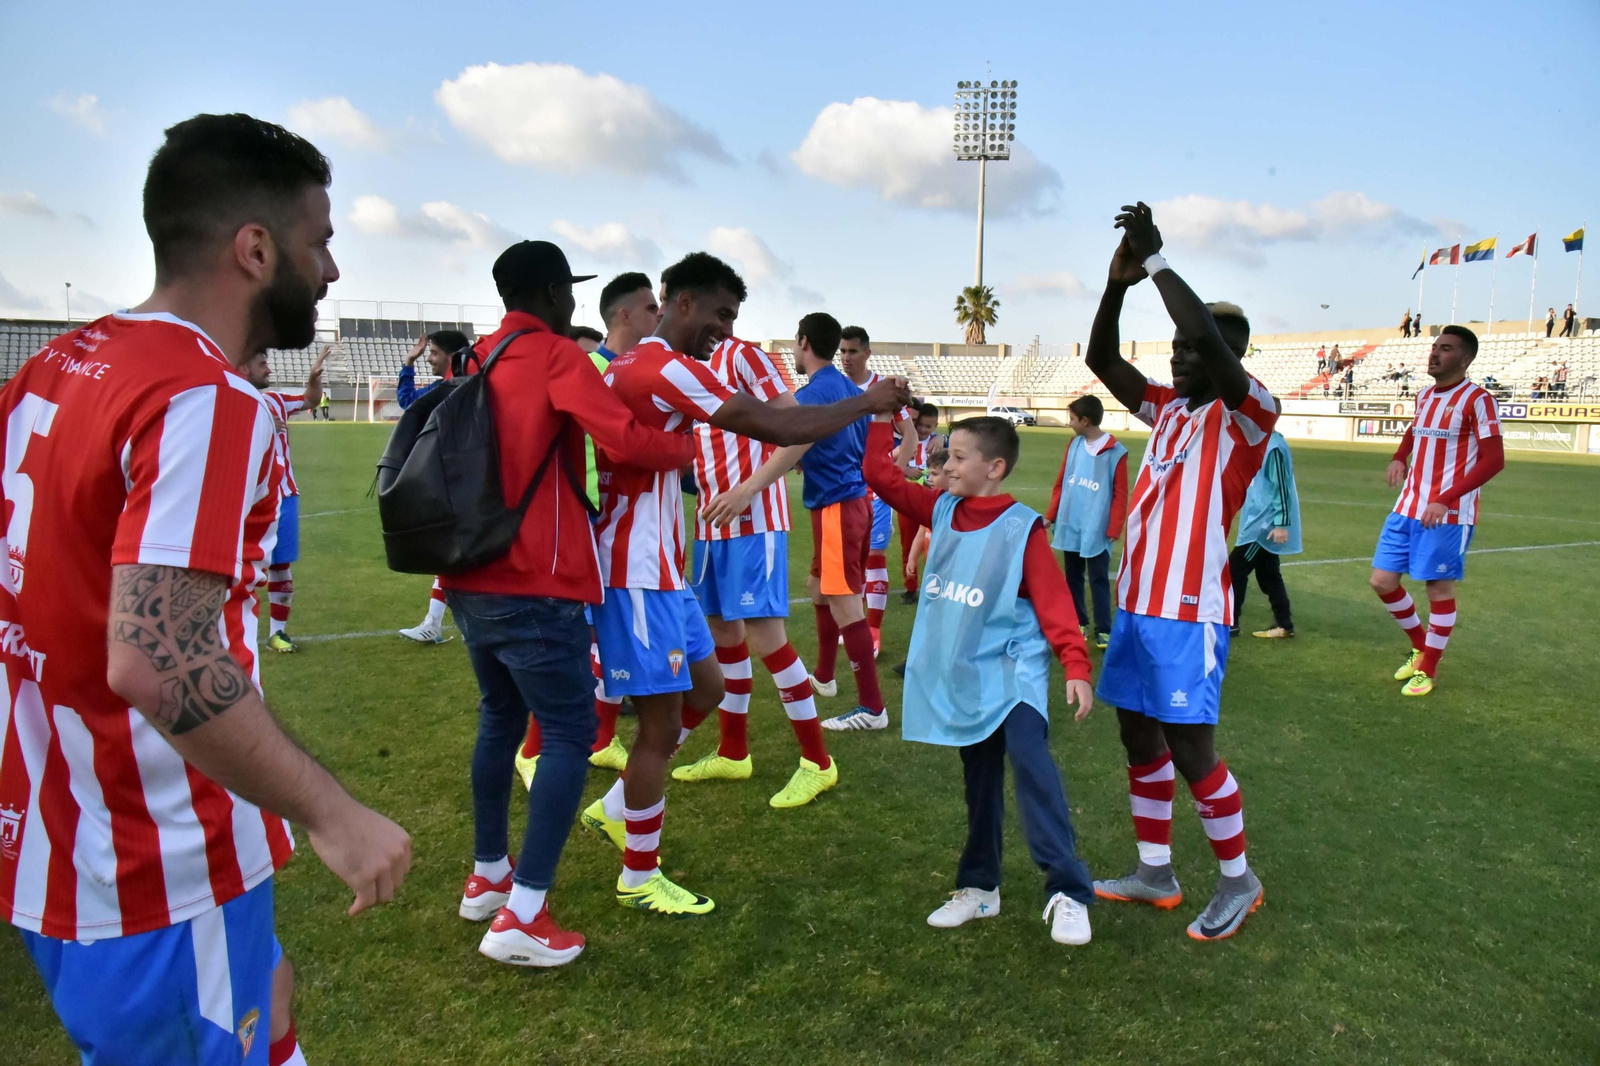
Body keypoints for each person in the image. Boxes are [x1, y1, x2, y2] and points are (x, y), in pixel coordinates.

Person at [0, 112, 412, 1066]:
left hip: (55, 829)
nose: (332, 269)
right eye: (320, 242)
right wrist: (333, 814)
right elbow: (159, 658)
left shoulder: (53, 368)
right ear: (255, 250)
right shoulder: (206, 398)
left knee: (264, 991)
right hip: (152, 855)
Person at [578, 254, 908, 916]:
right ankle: (638, 874)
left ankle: (624, 805)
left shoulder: (637, 365)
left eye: (733, 317)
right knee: (662, 721)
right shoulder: (666, 367)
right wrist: (867, 401)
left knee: (709, 683)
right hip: (637, 571)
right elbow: (783, 425)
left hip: (672, 559)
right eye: (720, 313)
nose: (725, 328)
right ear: (681, 302)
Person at [439, 240, 705, 967]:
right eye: (569, 291)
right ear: (553, 293)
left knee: (499, 717)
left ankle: (487, 876)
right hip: (536, 572)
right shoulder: (557, 355)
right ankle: (524, 914)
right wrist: (694, 451)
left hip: (467, 571)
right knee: (565, 732)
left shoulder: (478, 355)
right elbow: (622, 440)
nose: (573, 303)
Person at [1081, 202, 1278, 942]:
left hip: (1189, 610)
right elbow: (1102, 361)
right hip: (1137, 602)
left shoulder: (1250, 413)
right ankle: (1156, 872)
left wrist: (1160, 260)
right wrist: (1118, 284)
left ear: (1228, 358)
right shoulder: (1166, 408)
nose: (1178, 357)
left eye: (1193, 350)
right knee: (1138, 738)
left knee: (1193, 750)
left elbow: (1206, 338)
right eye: (1175, 348)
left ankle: (1239, 881)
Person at [864, 414, 1097, 944]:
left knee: (1031, 763)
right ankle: (980, 888)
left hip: (1013, 672)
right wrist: (879, 415)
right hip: (968, 675)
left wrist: (1075, 664)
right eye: (947, 456)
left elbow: (1054, 600)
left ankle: (1069, 891)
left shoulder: (1021, 527)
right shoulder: (942, 509)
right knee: (980, 777)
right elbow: (879, 476)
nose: (946, 466)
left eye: (958, 457)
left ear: (994, 468)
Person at [671, 333, 838, 809]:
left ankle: (818, 764)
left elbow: (802, 429)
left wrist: (747, 489)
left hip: (754, 522)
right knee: (724, 636)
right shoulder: (681, 367)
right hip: (710, 523)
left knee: (768, 639)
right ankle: (732, 751)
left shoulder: (742, 356)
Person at [514, 272, 662, 787]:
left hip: (616, 527)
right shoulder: (591, 369)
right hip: (587, 523)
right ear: (624, 314)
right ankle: (532, 750)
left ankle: (601, 741)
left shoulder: (629, 370)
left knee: (604, 641)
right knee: (574, 644)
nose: (658, 316)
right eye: (650, 308)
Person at [1370, 326, 1505, 698]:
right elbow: (1416, 430)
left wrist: (1446, 498)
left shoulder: (1478, 400)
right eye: (1434, 347)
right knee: (1382, 582)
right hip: (1408, 506)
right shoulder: (1425, 395)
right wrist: (1400, 456)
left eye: (1445, 349)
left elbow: (1494, 460)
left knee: (1438, 588)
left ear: (1465, 359)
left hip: (1448, 514)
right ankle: (1420, 646)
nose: (1434, 354)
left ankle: (1428, 670)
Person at [789, 315, 900, 732]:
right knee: (819, 588)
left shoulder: (811, 394)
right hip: (848, 502)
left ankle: (872, 708)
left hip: (838, 505)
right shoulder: (852, 391)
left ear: (803, 342)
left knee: (844, 602)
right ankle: (824, 676)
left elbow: (790, 444)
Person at [237, 343, 329, 654]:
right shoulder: (228, 401)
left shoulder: (274, 401)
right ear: (244, 368)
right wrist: (258, 423)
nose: (269, 369)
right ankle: (234, 631)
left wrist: (314, 377)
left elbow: (310, 400)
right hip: (245, 501)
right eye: (263, 364)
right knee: (240, 568)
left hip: (284, 496)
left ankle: (278, 633)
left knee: (281, 567)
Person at [396, 327, 476, 646]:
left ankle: (438, 623)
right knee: (451, 557)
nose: (429, 358)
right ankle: (434, 623)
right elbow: (409, 403)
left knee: (455, 556)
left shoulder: (453, 389)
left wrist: (408, 365)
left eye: (433, 353)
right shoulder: (461, 386)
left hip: (458, 485)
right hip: (456, 484)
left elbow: (408, 403)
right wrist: (409, 363)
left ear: (452, 357)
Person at [838, 325, 917, 646]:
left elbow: (910, 435)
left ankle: (873, 631)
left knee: (874, 556)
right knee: (851, 560)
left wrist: (892, 476)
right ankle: (856, 624)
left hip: (875, 491)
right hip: (843, 487)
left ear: (867, 353)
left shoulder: (883, 388)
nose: (846, 357)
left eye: (852, 351)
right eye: (842, 351)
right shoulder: (837, 387)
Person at [1048, 394, 1129, 650]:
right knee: (1073, 576)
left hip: (1097, 527)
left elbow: (1121, 493)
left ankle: (1103, 629)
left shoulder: (1115, 451)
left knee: (1098, 578)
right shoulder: (1073, 445)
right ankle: (1079, 622)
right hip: (1071, 521)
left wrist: (1114, 526)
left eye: (1072, 419)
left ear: (1085, 420)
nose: (1069, 423)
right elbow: (1061, 483)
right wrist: (1051, 515)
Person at [1229, 429, 1302, 639]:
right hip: (1258, 518)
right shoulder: (1259, 441)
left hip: (1264, 524)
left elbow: (1282, 486)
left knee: (1236, 568)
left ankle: (1231, 623)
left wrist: (1281, 523)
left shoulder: (1274, 446)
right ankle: (1284, 625)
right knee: (1268, 573)